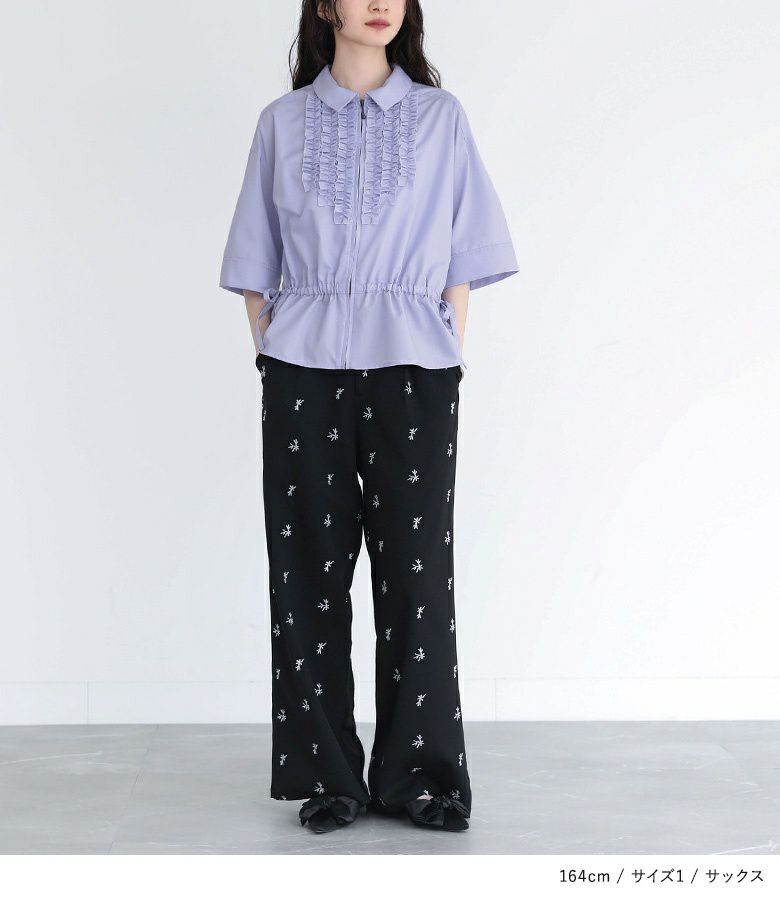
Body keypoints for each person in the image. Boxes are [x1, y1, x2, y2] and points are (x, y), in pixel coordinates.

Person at [219, 0, 518, 835]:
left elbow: (464, 250)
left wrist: (447, 343)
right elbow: (254, 259)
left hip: (414, 369)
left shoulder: (440, 118)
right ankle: (329, 776)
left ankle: (419, 777)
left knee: (416, 576)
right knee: (306, 574)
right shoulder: (282, 123)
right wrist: (272, 349)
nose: (380, 3)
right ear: (326, 6)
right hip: (302, 371)